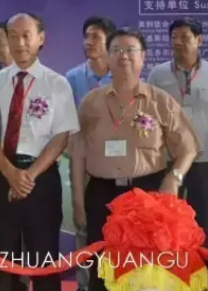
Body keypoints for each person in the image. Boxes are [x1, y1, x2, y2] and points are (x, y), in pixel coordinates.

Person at [71, 27, 199, 291]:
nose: (124, 56)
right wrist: (78, 200)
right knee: (101, 268)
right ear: (107, 57)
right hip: (102, 193)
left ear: (143, 57)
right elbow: (79, 153)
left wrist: (174, 178)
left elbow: (188, 147)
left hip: (147, 195)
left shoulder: (160, 101)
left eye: (131, 50)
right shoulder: (91, 103)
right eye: (116, 50)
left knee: (144, 271)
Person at [0, 13, 78, 291]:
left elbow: (61, 136)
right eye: (13, 36)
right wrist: (10, 173)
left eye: (26, 36)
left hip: (41, 178)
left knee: (44, 259)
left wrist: (29, 176)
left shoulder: (57, 83)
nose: (20, 43)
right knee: (1, 261)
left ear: (41, 39)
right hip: (0, 176)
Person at [64, 16, 115, 291]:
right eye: (86, 36)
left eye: (95, 36)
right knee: (83, 225)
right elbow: (67, 125)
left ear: (110, 42)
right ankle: (84, 285)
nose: (88, 42)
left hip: (117, 164)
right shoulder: (72, 78)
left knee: (115, 225)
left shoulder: (122, 75)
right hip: (83, 163)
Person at [147, 18, 208, 243]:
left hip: (204, 158)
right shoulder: (158, 74)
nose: (178, 42)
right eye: (174, 37)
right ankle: (172, 262)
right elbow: (148, 113)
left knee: (203, 217)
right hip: (169, 157)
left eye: (185, 37)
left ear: (199, 40)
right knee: (166, 218)